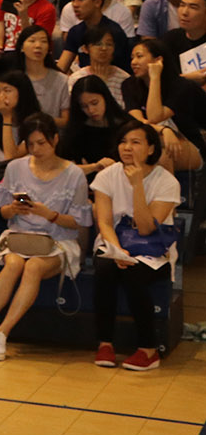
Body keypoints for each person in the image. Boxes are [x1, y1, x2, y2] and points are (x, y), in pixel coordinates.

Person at [0, 112, 90, 363]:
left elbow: (79, 222)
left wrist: (51, 215)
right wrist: (13, 209)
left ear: (55, 140)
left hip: (57, 241)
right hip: (19, 236)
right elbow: (1, 209)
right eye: (31, 144)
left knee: (33, 266)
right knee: (14, 264)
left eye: (41, 143)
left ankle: (2, 332)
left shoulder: (74, 174)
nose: (35, 149)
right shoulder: (15, 167)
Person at [89, 121, 180, 371]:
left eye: (135, 142)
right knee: (105, 269)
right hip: (114, 243)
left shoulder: (167, 181)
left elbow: (146, 227)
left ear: (151, 148)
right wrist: (119, 251)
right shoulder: (106, 176)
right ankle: (105, 343)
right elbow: (104, 222)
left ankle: (148, 349)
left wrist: (138, 185)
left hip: (153, 250)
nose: (127, 148)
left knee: (134, 273)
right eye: (123, 142)